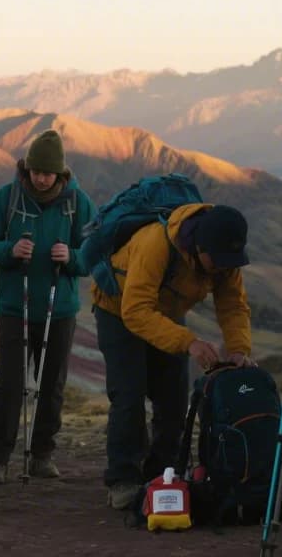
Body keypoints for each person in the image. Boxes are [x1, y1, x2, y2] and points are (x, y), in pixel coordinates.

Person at [91, 203, 254, 509]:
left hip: (167, 312)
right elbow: (136, 311)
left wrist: (238, 349)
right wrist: (188, 342)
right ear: (198, 247)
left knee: (174, 399)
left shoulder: (224, 259)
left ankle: (163, 475)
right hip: (119, 310)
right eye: (216, 261)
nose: (222, 267)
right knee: (129, 395)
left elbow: (233, 305)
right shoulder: (156, 244)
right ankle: (123, 479)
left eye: (229, 261)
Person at [0, 130, 95, 486]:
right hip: (15, 307)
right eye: (35, 171)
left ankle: (42, 454)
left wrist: (71, 257)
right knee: (9, 384)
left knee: (52, 385)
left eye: (47, 172)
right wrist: (8, 251)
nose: (40, 178)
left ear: (60, 173)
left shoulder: (77, 203)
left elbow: (95, 252)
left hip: (60, 311)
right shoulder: (6, 198)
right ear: (26, 168)